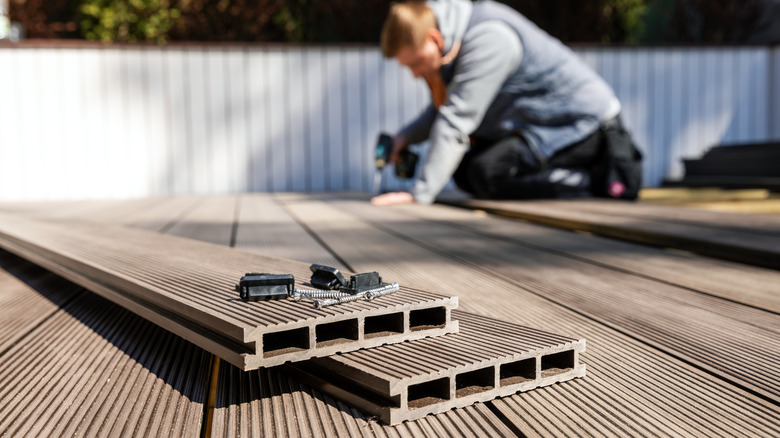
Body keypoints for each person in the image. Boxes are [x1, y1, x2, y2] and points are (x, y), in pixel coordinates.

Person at [371, 0, 642, 207]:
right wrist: (403, 138)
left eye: (415, 63)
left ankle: (596, 181)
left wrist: (419, 197)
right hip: (539, 127)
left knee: (486, 173)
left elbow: (456, 120)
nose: (415, 74)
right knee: (466, 172)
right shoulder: (453, 43)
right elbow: (442, 111)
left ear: (434, 39)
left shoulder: (488, 39)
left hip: (580, 124)